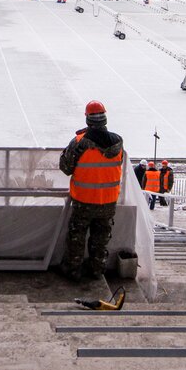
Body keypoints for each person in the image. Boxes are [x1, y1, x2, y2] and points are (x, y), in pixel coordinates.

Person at [58, 100, 124, 282]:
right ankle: (96, 270)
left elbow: (66, 167)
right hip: (108, 201)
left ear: (87, 119)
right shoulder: (118, 142)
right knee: (101, 238)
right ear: (105, 118)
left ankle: (72, 269)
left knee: (77, 236)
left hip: (84, 201)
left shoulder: (80, 142)